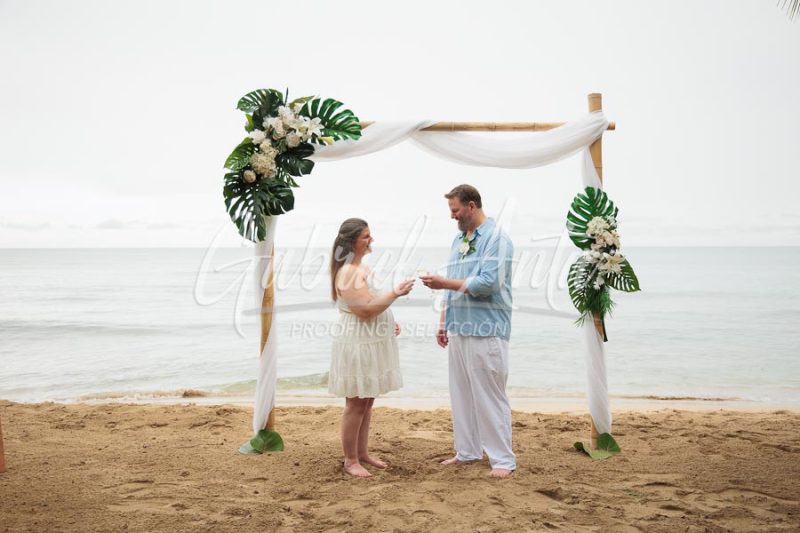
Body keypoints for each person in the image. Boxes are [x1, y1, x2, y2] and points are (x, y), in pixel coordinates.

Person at [420, 184, 516, 478]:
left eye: (456, 210)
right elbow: (453, 283)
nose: (453, 216)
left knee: (489, 396)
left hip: (487, 328)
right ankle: (468, 451)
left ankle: (503, 460)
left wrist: (442, 283)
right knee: (462, 394)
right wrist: (443, 321)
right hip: (459, 327)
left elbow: (488, 283)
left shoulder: (497, 239)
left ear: (471, 206)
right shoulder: (459, 239)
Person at [328, 218, 415, 478]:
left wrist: (388, 322)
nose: (371, 240)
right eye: (366, 236)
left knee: (366, 400)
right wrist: (396, 293)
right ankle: (350, 460)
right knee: (356, 402)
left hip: (369, 338)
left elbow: (372, 301)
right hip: (357, 341)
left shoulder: (360, 267)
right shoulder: (348, 272)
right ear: (352, 241)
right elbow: (364, 311)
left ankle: (362, 452)